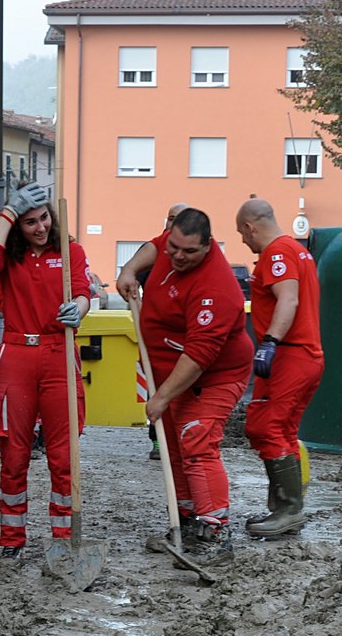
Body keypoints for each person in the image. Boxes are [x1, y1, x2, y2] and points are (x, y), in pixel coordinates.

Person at [0, 182, 93, 562]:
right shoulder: (8, 255)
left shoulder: (70, 251)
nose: (39, 227)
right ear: (17, 225)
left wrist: (80, 307)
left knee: (62, 453)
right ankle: (12, 538)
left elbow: (85, 290)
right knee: (14, 454)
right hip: (17, 354)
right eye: (28, 222)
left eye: (43, 218)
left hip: (58, 353)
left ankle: (61, 537)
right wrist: (7, 213)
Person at [132, 208, 254, 561]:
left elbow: (199, 354)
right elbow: (154, 247)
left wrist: (161, 397)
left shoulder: (216, 288)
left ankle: (215, 532)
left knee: (196, 438)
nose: (178, 257)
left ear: (208, 246)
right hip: (172, 371)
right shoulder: (170, 247)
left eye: (189, 252)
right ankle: (186, 524)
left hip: (214, 375)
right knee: (173, 447)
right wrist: (129, 271)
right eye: (174, 248)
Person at [235, 198, 323, 537]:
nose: (244, 241)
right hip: (306, 355)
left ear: (251, 227)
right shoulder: (297, 250)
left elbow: (288, 298)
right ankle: (284, 508)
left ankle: (288, 509)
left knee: (266, 427)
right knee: (280, 429)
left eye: (242, 234)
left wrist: (270, 341)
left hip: (290, 354)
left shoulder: (277, 253)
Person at [118, 202, 189, 462]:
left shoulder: (191, 253)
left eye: (179, 219)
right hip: (156, 334)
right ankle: (158, 440)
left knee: (184, 387)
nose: (173, 224)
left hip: (185, 336)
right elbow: (133, 275)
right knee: (156, 386)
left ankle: (183, 438)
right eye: (171, 218)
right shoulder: (153, 249)